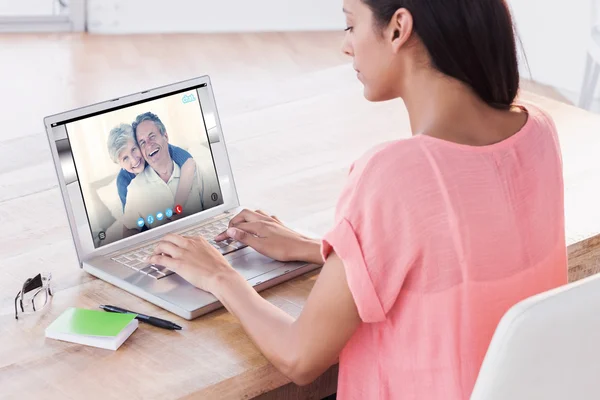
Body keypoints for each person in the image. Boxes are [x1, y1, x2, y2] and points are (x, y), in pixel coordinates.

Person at [149, 0, 568, 398]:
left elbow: (300, 357)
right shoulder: (538, 132)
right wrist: (320, 251)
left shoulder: (397, 173)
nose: (346, 43)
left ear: (398, 28)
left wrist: (219, 275)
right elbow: (454, 258)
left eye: (351, 23)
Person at [122, 113, 221, 232]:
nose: (148, 145)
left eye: (152, 136)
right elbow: (128, 231)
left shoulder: (192, 169)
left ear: (165, 136)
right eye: (142, 142)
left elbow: (217, 211)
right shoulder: (135, 188)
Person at [106, 123, 196, 211]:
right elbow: (132, 219)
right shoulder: (123, 181)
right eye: (125, 158)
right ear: (120, 164)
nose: (134, 160)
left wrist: (177, 208)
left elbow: (188, 161)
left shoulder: (154, 154)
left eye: (134, 149)